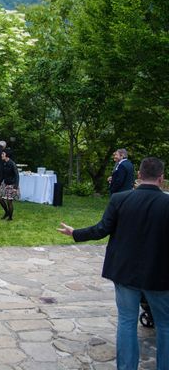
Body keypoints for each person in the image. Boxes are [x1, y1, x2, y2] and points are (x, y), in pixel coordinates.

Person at [57, 157, 169, 370]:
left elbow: (101, 229)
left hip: (125, 271)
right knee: (165, 325)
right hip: (160, 273)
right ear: (161, 178)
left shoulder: (120, 199)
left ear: (138, 175)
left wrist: (75, 233)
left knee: (127, 321)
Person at [0, 151, 20, 221]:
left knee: (9, 201)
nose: (1, 155)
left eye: (3, 154)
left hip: (12, 184)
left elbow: (17, 175)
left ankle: (10, 217)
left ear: (7, 155)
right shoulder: (3, 162)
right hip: (5, 183)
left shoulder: (12, 164)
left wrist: (15, 187)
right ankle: (7, 212)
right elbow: (3, 174)